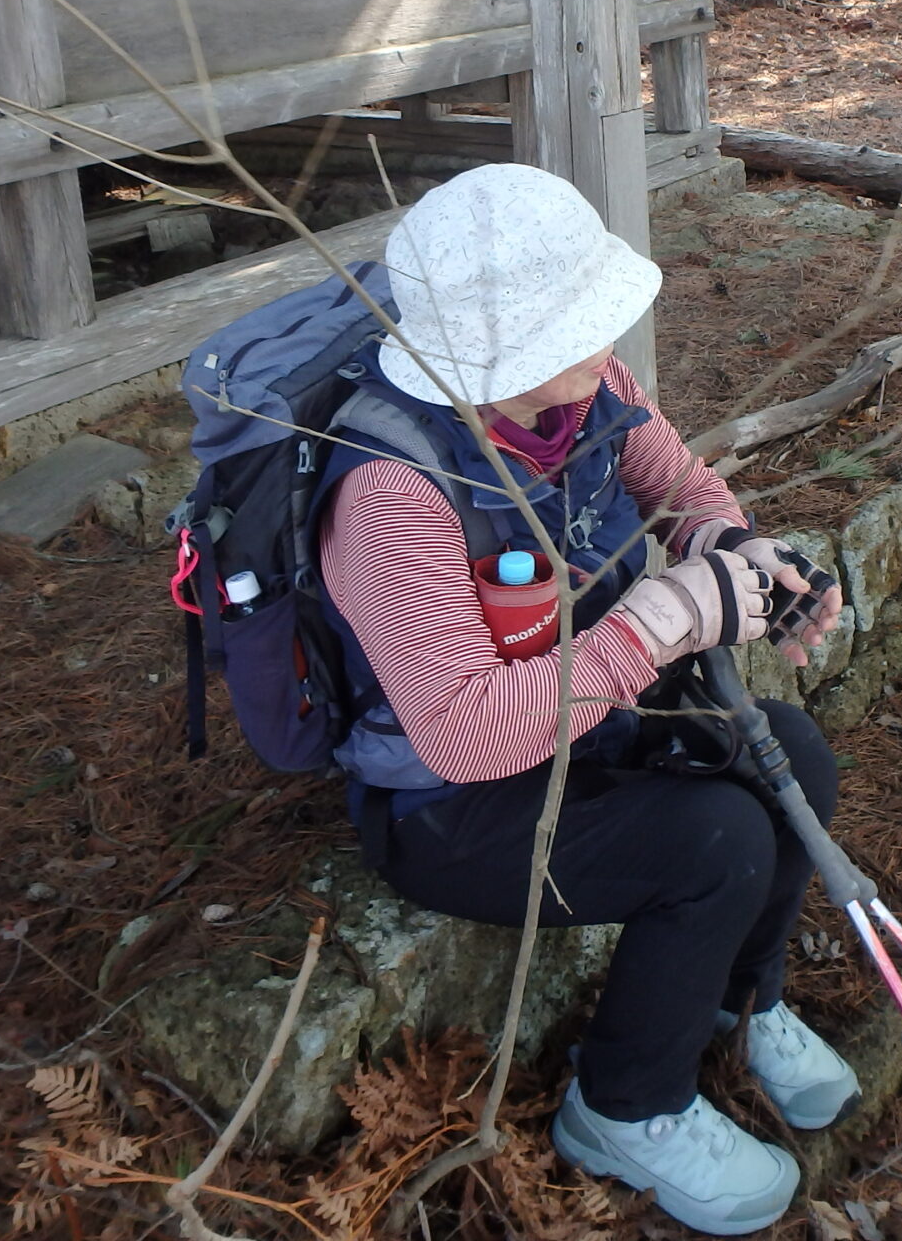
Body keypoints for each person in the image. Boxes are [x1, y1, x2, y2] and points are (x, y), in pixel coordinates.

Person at [320, 164, 851, 1237]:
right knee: (713, 842)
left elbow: (683, 488)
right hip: (448, 804)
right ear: (508, 355)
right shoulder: (391, 490)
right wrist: (659, 623)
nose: (609, 337)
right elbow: (462, 731)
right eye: (583, 321)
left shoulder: (587, 390)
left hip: (584, 719)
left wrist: (735, 551)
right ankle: (623, 1107)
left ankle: (739, 1004)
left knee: (791, 755)